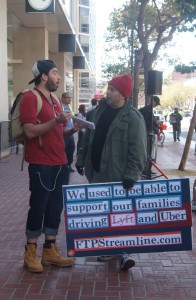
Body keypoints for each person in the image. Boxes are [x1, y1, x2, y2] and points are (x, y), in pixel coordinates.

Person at [76, 74, 147, 271]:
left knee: (122, 216)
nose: (108, 92)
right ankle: (109, 248)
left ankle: (124, 253)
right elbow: (88, 137)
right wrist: (81, 160)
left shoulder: (134, 118)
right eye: (109, 88)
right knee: (105, 214)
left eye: (113, 89)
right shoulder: (99, 112)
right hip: (97, 173)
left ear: (123, 94)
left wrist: (131, 175)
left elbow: (139, 150)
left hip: (119, 177)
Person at [19, 59, 80, 273]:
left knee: (55, 208)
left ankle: (49, 250)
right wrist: (56, 121)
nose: (59, 77)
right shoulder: (30, 98)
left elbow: (57, 132)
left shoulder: (54, 99)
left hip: (60, 163)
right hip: (41, 164)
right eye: (55, 73)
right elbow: (29, 131)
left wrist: (72, 130)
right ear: (43, 76)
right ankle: (30, 252)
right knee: (38, 207)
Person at [139, 96, 163, 175]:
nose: (156, 105)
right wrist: (156, 122)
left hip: (150, 133)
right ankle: (146, 169)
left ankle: (148, 169)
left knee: (150, 152)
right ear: (153, 101)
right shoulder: (147, 109)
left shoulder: (148, 109)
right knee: (148, 152)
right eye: (156, 103)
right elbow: (146, 122)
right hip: (148, 133)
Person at [61, 92, 76, 173]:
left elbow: (72, 117)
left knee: (71, 148)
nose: (70, 99)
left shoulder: (69, 106)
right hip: (64, 131)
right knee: (64, 149)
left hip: (70, 131)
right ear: (63, 98)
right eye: (68, 97)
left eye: (70, 97)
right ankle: (64, 166)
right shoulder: (60, 106)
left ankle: (68, 165)